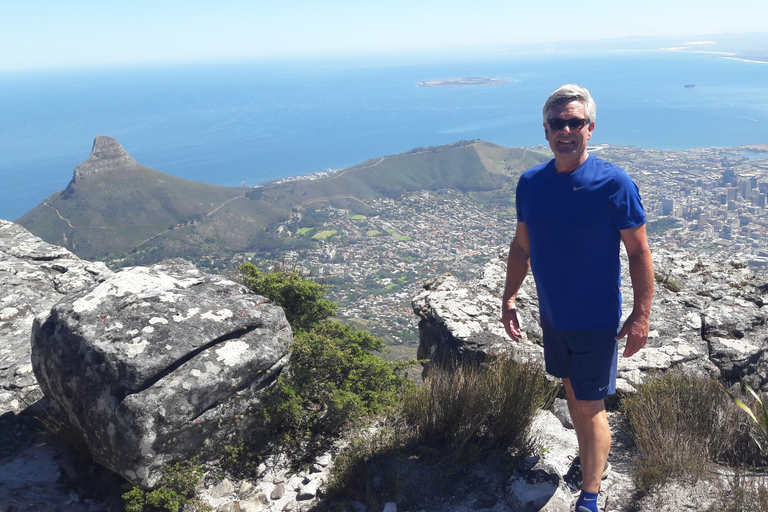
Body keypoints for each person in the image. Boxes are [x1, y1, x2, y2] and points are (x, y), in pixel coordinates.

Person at [501, 84, 654, 512]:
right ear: (545, 131)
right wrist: (509, 296)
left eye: (575, 123)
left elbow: (639, 251)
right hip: (553, 315)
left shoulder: (613, 183)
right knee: (573, 394)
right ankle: (592, 462)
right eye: (557, 123)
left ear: (590, 129)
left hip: (593, 317)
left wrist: (641, 316)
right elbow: (521, 246)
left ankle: (590, 494)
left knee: (589, 406)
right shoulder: (531, 183)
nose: (565, 130)